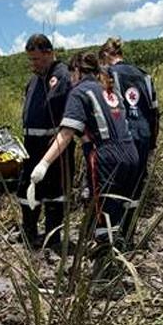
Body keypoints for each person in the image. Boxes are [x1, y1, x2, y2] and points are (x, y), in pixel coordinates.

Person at [29, 52, 139, 249]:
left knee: (104, 215)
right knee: (122, 210)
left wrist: (44, 164)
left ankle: (105, 270)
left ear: (77, 71)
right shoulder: (108, 89)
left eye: (72, 74)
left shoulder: (79, 92)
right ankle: (124, 256)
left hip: (106, 158)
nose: (71, 79)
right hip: (132, 153)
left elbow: (66, 134)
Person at [99, 37, 159, 237]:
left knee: (114, 190)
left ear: (106, 56)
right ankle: (128, 236)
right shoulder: (145, 76)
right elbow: (154, 112)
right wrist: (151, 144)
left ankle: (110, 239)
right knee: (134, 191)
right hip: (143, 137)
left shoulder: (108, 74)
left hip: (120, 139)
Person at [19, 34, 72, 249]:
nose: (34, 64)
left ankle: (53, 240)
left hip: (52, 145)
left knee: (55, 194)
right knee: (26, 190)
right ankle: (29, 233)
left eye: (37, 59)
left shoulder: (60, 75)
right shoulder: (34, 80)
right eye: (31, 60)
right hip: (30, 144)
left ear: (50, 53)